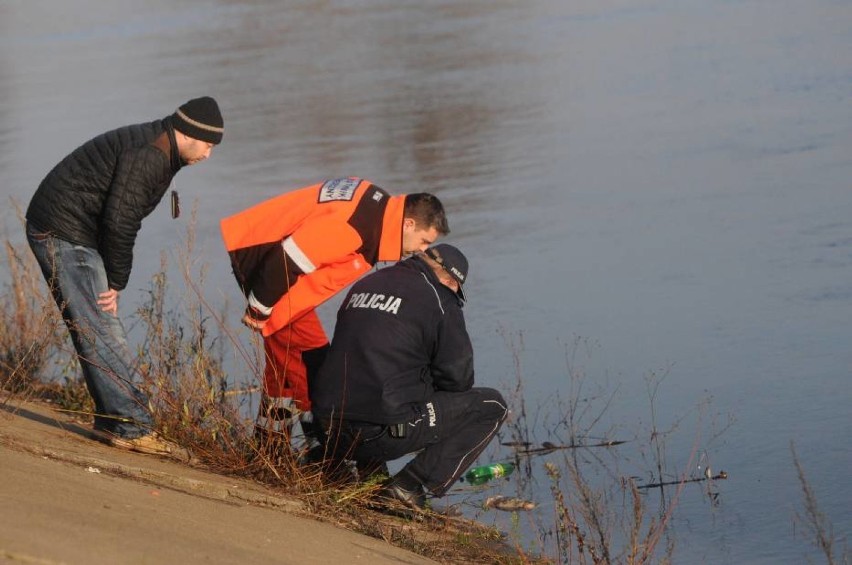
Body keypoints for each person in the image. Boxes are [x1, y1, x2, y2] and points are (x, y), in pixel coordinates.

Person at [25, 97, 224, 454]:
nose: (209, 155)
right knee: (101, 328)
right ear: (189, 133)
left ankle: (112, 422)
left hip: (70, 228)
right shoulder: (150, 155)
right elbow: (120, 222)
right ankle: (132, 427)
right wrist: (117, 282)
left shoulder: (162, 147)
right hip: (62, 231)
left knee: (92, 325)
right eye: (208, 145)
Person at [219, 178, 449, 455]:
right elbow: (289, 257)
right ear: (408, 224)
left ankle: (269, 451)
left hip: (272, 268)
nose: (421, 251)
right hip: (268, 267)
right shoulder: (357, 227)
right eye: (424, 241)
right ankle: (323, 455)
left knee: (287, 374)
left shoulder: (376, 208)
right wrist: (259, 308)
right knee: (318, 372)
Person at [311, 244, 508, 509]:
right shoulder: (440, 298)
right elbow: (458, 379)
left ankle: (372, 479)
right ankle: (408, 485)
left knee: (379, 381)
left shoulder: (368, 282)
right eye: (454, 288)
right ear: (450, 281)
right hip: (376, 434)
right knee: (491, 406)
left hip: (328, 427)